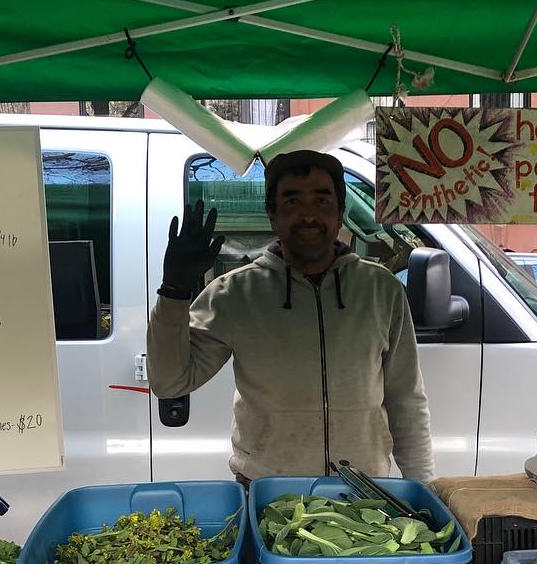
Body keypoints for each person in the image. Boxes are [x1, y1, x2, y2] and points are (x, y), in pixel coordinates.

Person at [147, 149, 434, 483]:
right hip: (267, 491)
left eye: (322, 200)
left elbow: (406, 400)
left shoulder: (380, 290)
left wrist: (424, 489)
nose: (308, 215)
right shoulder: (236, 294)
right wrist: (174, 291)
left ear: (340, 213)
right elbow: (169, 382)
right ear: (272, 215)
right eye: (292, 201)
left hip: (363, 494)